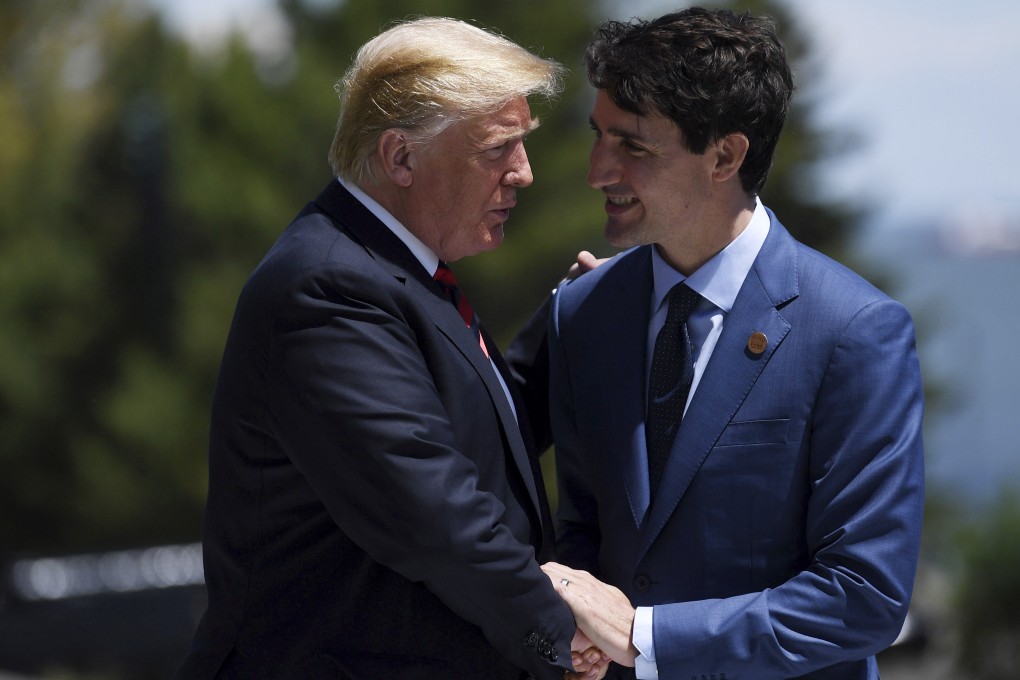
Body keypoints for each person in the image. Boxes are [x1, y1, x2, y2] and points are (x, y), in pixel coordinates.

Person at [175, 17, 607, 680]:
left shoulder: (391, 270)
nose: (523, 173)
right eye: (499, 149)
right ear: (400, 158)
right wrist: (568, 638)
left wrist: (573, 314)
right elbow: (433, 513)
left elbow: (480, 433)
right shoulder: (327, 287)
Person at [541, 7, 925, 680]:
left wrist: (647, 638)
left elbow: (864, 597)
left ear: (725, 155)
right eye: (598, 136)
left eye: (632, 145)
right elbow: (581, 533)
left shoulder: (856, 331)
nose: (598, 170)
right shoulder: (581, 313)